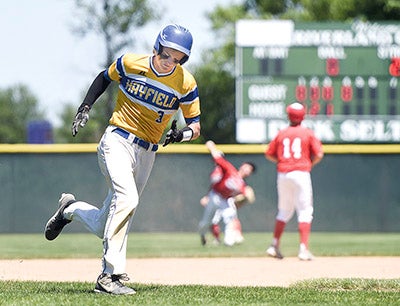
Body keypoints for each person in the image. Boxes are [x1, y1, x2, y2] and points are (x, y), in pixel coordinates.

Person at [44, 24, 201, 295]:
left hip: (148, 151)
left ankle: (69, 209)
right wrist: (85, 107)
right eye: (166, 55)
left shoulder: (185, 82)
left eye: (178, 58)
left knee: (109, 219)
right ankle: (109, 277)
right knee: (127, 199)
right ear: (156, 47)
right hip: (117, 139)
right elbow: (104, 77)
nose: (170, 62)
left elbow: (196, 126)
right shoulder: (131, 63)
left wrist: (181, 135)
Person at [265, 102, 323, 261]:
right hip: (301, 173)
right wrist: (309, 163)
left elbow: (268, 153)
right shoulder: (307, 132)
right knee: (305, 211)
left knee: (284, 211)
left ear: (288, 115)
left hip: (283, 174)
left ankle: (274, 245)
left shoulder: (282, 133)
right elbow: (319, 154)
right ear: (303, 116)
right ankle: (303, 249)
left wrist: (282, 161)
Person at [199, 140, 256, 246]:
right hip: (215, 195)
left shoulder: (243, 186)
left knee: (230, 216)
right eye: (247, 167)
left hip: (225, 200)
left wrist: (246, 197)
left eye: (250, 170)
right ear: (242, 166)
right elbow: (218, 158)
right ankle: (202, 233)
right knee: (207, 221)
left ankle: (228, 241)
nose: (247, 170)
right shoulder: (230, 170)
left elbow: (242, 199)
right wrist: (212, 147)